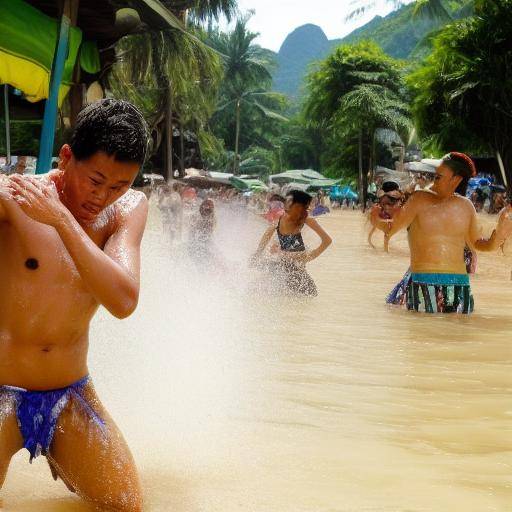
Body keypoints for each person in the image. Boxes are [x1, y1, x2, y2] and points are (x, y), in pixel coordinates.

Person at [0, 99, 149, 511]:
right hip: (1, 391)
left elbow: (122, 300)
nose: (102, 197)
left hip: (68, 393)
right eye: (95, 180)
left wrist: (62, 221)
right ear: (66, 157)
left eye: (118, 186)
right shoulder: (14, 199)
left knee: (125, 506)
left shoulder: (127, 210)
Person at [381, 152, 512, 314]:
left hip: (460, 286)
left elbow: (478, 245)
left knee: (459, 336)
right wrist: (386, 208)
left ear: (456, 180)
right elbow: (390, 228)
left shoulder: (466, 207)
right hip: (423, 282)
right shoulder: (418, 200)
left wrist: (499, 235)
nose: (433, 183)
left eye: (438, 178)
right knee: (423, 335)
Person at [251, 190, 332, 297]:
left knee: (309, 295)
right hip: (284, 268)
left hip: (293, 270)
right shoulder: (280, 218)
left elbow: (327, 241)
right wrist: (258, 254)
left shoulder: (306, 219)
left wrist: (309, 257)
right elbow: (267, 236)